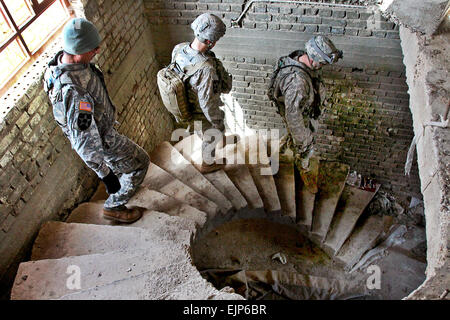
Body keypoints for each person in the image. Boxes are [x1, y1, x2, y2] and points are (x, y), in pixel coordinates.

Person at [43, 18, 150, 223]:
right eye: (92, 48)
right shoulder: (74, 93)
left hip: (103, 131)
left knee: (127, 163)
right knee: (140, 162)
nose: (97, 51)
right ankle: (114, 206)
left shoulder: (60, 63)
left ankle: (118, 183)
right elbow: (84, 142)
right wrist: (106, 175)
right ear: (76, 52)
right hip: (103, 139)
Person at [171, 13, 236, 173]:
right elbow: (208, 103)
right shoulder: (206, 69)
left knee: (203, 129)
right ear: (210, 42)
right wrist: (218, 123)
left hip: (186, 104)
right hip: (200, 111)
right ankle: (208, 163)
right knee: (212, 132)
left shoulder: (179, 48)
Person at [269, 36, 343, 172]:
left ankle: (281, 152)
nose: (323, 66)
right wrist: (304, 145)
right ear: (314, 59)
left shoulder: (299, 59)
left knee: (293, 135)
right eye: (322, 63)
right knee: (304, 144)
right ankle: (300, 170)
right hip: (299, 116)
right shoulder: (297, 83)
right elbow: (293, 118)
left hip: (303, 109)